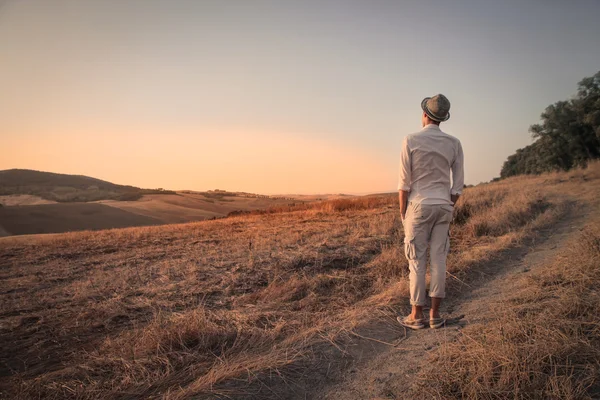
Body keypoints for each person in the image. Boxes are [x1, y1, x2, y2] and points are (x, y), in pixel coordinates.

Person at [397, 94, 464, 330]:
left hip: (418, 205)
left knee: (416, 261)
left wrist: (404, 214)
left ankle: (416, 316)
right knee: (439, 261)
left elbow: (404, 184)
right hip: (444, 205)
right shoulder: (454, 143)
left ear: (425, 114)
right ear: (442, 118)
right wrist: (448, 204)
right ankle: (435, 315)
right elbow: (458, 186)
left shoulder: (410, 139)